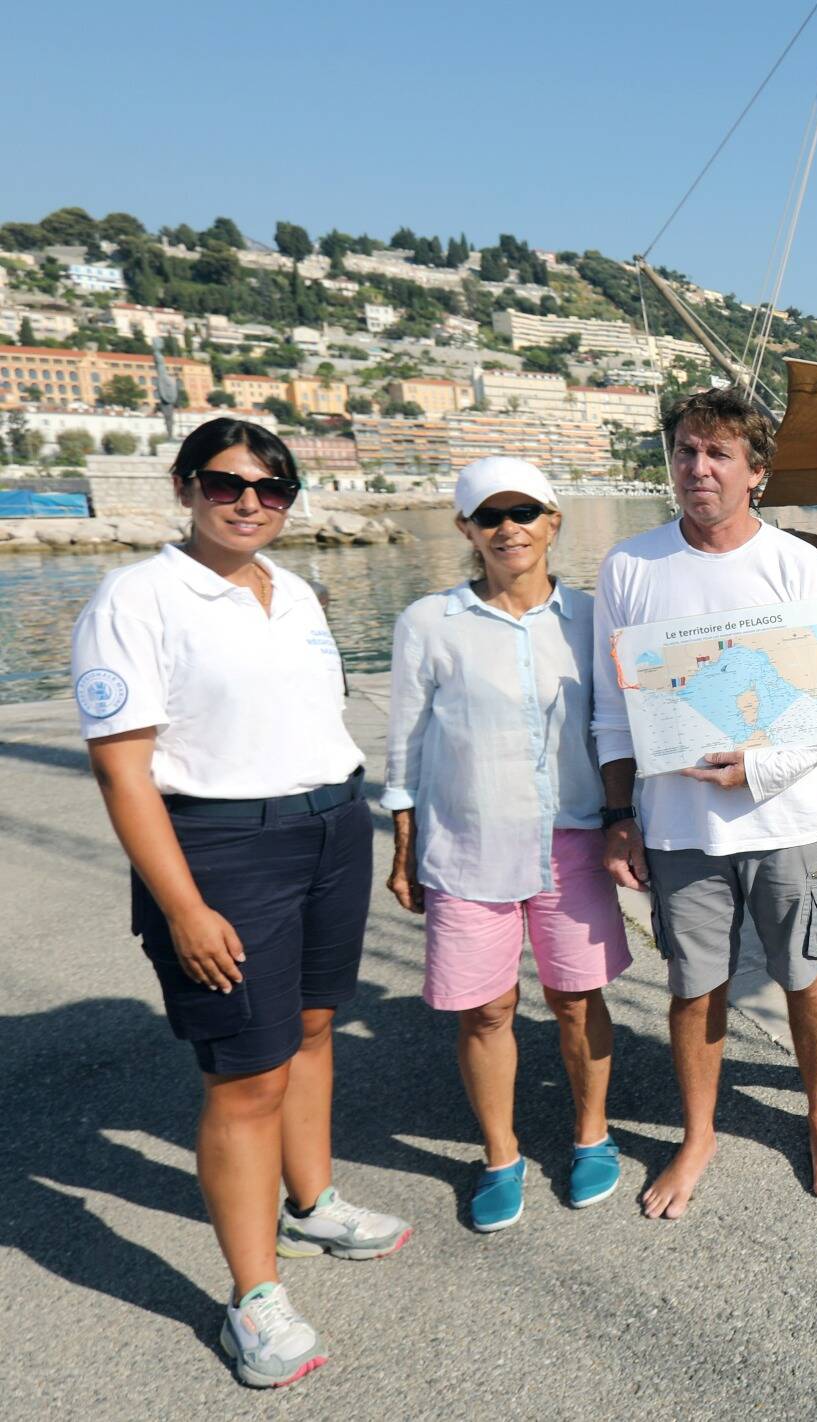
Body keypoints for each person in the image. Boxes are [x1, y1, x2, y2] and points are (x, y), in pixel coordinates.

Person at [72, 418, 411, 1390]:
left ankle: (310, 1203)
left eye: (273, 486)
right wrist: (182, 906)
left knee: (310, 1028)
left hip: (328, 826)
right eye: (227, 484)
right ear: (186, 487)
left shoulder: (293, 590)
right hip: (223, 847)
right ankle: (252, 1296)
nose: (251, 501)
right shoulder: (136, 598)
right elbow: (123, 772)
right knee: (245, 1075)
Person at [594, 388, 817, 1219]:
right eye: (684, 450)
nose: (698, 467)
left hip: (788, 821)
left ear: (756, 471)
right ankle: (698, 1133)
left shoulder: (796, 565)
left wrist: (758, 772)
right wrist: (620, 815)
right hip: (678, 828)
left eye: (717, 453)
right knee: (693, 986)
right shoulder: (629, 567)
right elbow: (613, 711)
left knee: (805, 974)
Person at [383, 457, 632, 1232]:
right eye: (490, 516)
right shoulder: (430, 623)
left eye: (525, 511)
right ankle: (501, 1154)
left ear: (553, 522)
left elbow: (629, 721)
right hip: (467, 842)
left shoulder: (593, 619)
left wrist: (632, 815)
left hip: (573, 836)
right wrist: (402, 844)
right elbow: (406, 746)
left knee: (574, 998)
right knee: (487, 1009)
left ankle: (592, 1135)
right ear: (467, 530)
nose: (509, 527)